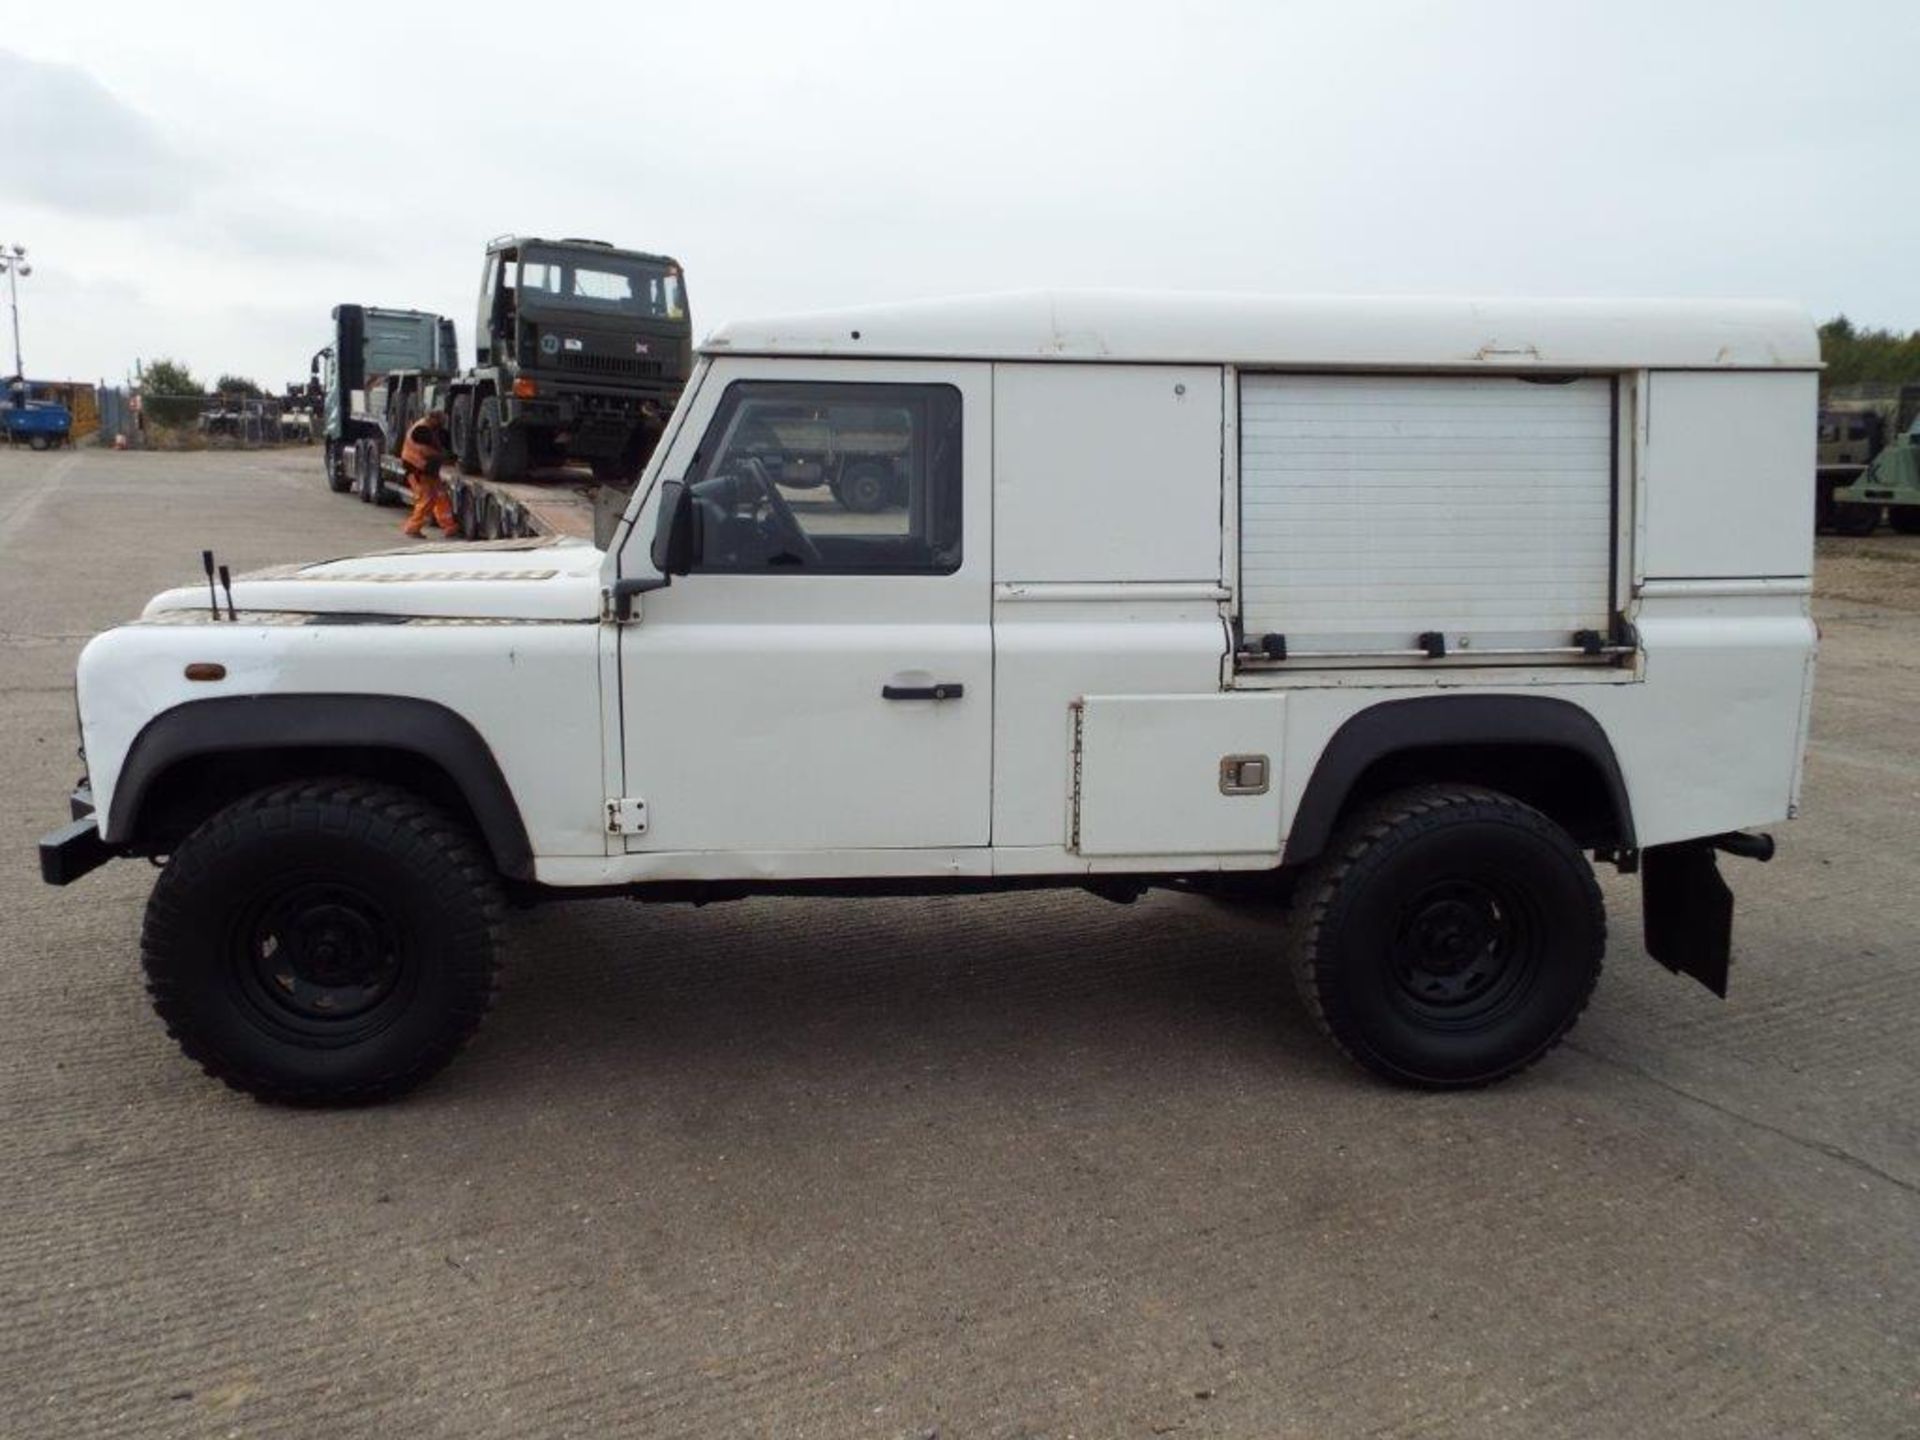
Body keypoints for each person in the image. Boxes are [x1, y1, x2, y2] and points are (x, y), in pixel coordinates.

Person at [399, 409, 461, 539]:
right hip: (418, 469)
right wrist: (443, 456)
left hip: (428, 469)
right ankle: (412, 528)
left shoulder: (428, 428)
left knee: (440, 496)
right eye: (440, 420)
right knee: (426, 499)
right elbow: (426, 451)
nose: (443, 423)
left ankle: (449, 526)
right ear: (432, 419)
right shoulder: (422, 430)